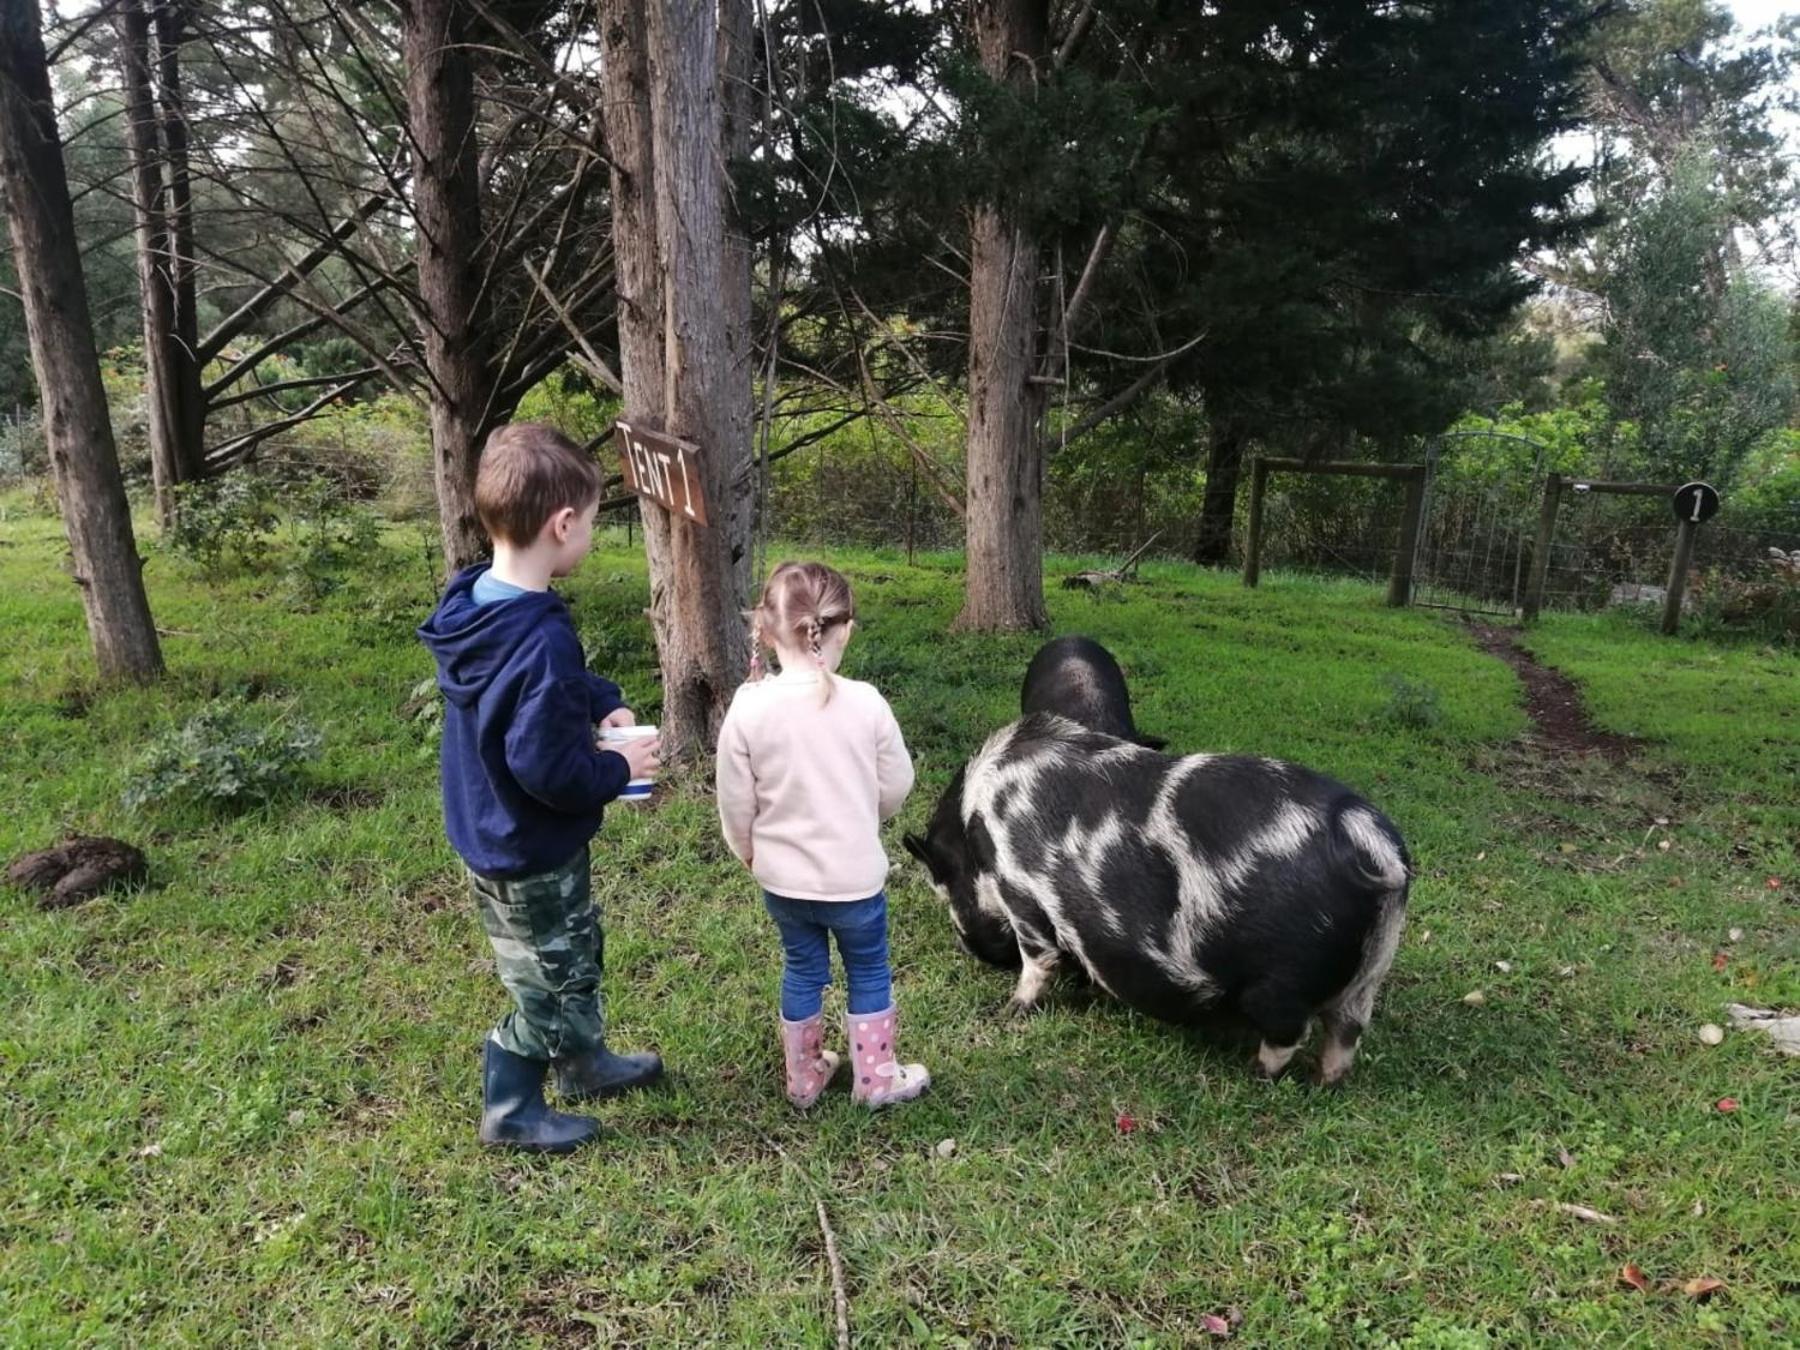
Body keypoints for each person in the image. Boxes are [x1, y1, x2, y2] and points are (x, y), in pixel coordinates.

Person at [418, 423, 663, 1153]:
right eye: (589, 524)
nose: (588, 535)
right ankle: (512, 1106)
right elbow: (549, 770)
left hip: (491, 829)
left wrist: (598, 698)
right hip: (528, 844)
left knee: (573, 947)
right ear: (563, 525)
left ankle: (584, 1062)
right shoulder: (542, 634)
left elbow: (530, 687)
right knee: (548, 985)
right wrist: (622, 770)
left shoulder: (476, 600)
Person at [716, 561, 928, 1110]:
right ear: (845, 630)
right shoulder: (868, 702)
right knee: (869, 968)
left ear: (764, 628)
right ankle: (876, 1079)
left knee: (803, 968)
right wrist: (866, 817)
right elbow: (898, 782)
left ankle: (805, 1078)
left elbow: (735, 800)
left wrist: (749, 851)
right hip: (855, 882)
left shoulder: (749, 707)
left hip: (784, 884)